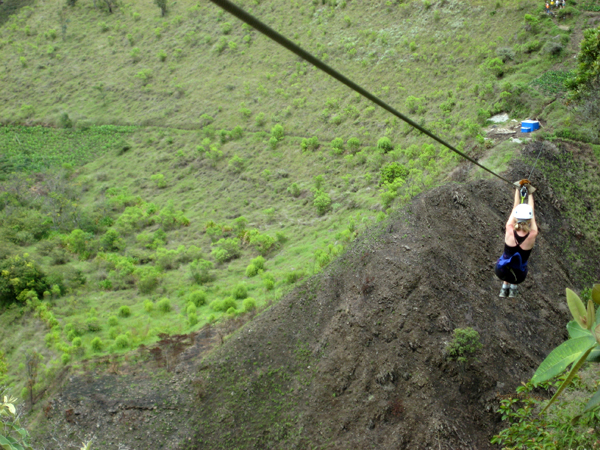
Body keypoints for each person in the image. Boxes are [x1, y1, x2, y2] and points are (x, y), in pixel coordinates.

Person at [495, 182, 538, 298]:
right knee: (517, 264)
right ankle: (513, 288)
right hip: (519, 277)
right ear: (529, 219)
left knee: (508, 259)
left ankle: (504, 288)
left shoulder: (509, 229)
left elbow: (515, 208)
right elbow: (532, 213)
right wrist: (530, 193)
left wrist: (517, 190)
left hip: (501, 271)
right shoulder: (533, 234)